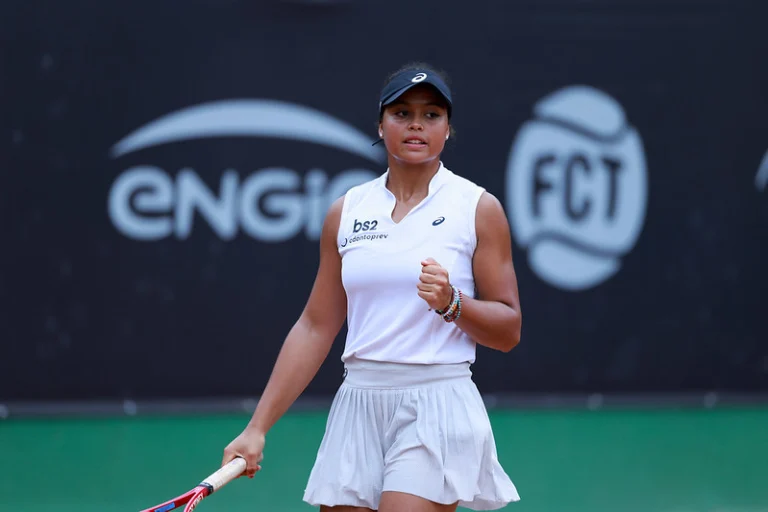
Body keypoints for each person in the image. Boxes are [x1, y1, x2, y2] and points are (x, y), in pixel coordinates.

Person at [222, 62, 523, 512]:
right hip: (358, 404)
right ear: (381, 125)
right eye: (402, 113)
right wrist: (257, 428)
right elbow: (315, 326)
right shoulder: (346, 211)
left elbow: (509, 330)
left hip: (437, 404)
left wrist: (453, 303)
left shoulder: (478, 208)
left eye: (431, 114)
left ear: (447, 129)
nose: (416, 124)